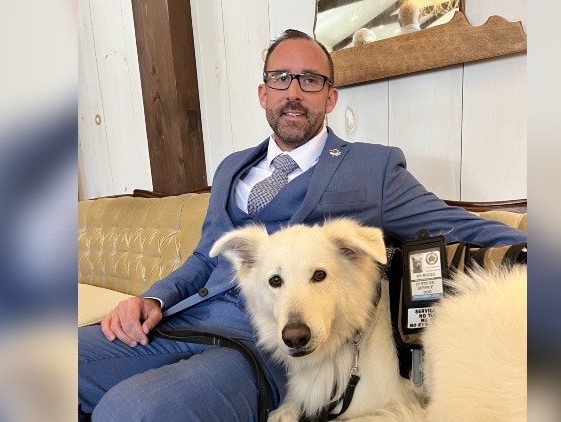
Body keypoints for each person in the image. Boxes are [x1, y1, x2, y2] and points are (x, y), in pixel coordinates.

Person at [78, 28, 526, 421]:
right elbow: (203, 256)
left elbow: (457, 226)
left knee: (129, 410)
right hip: (183, 320)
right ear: (264, 94)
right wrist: (153, 297)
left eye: (310, 80)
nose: (294, 91)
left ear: (330, 97)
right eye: (281, 79)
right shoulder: (232, 168)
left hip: (272, 344)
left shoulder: (372, 167)